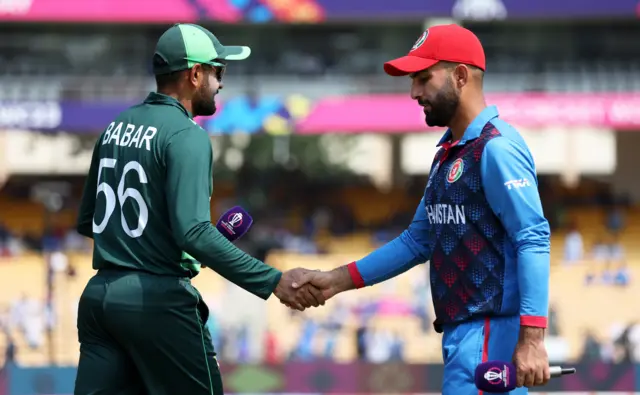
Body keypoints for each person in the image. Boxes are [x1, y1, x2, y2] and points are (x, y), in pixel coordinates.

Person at [291, 24, 551, 394]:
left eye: (424, 78)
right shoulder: (449, 154)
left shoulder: (496, 149)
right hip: (466, 339)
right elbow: (417, 241)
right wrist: (334, 281)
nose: (414, 92)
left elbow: (533, 238)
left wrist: (533, 339)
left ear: (461, 76)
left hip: (490, 338)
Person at [74, 23, 322, 395]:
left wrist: (162, 249)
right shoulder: (186, 134)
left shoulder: (114, 127)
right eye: (217, 71)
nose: (220, 82)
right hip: (157, 304)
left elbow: (88, 221)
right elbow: (192, 231)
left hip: (99, 301)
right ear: (194, 74)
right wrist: (273, 281)